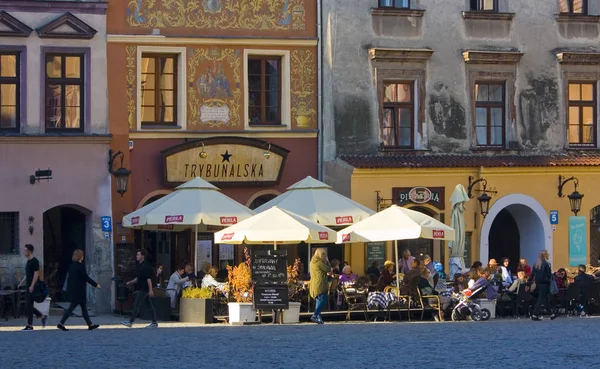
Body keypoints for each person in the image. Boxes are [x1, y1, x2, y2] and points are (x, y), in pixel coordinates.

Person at [57, 249, 100, 331]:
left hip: (74, 290)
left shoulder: (72, 266)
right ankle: (61, 323)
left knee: (83, 307)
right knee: (71, 308)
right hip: (79, 291)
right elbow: (86, 277)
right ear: (81, 257)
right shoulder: (80, 266)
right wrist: (95, 284)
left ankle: (90, 324)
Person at [122, 249, 158, 328]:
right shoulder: (139, 265)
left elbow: (148, 279)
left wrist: (150, 290)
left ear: (143, 256)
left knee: (136, 304)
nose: (136, 256)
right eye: (137, 255)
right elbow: (138, 278)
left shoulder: (146, 266)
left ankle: (130, 322)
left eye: (138, 255)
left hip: (144, 289)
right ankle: (154, 322)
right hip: (142, 287)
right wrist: (130, 282)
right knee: (149, 306)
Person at [19, 244, 48, 331]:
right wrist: (21, 283)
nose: (24, 252)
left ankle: (31, 324)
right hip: (29, 286)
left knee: (28, 305)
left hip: (33, 286)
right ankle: (41, 317)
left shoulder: (34, 261)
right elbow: (28, 275)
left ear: (29, 251)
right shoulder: (28, 261)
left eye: (25, 250)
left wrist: (32, 285)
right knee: (28, 305)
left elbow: (36, 274)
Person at [530, 250, 556, 321]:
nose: (548, 255)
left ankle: (551, 314)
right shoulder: (546, 264)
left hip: (538, 284)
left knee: (545, 299)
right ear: (545, 255)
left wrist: (528, 283)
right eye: (547, 254)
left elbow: (532, 275)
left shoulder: (536, 264)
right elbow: (548, 275)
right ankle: (534, 314)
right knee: (541, 299)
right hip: (545, 284)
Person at [309, 248, 332, 325]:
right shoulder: (319, 262)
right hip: (320, 284)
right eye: (323, 254)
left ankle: (319, 319)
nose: (324, 256)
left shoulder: (312, 262)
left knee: (318, 301)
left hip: (314, 284)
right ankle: (315, 315)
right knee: (323, 300)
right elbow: (328, 269)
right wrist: (327, 261)